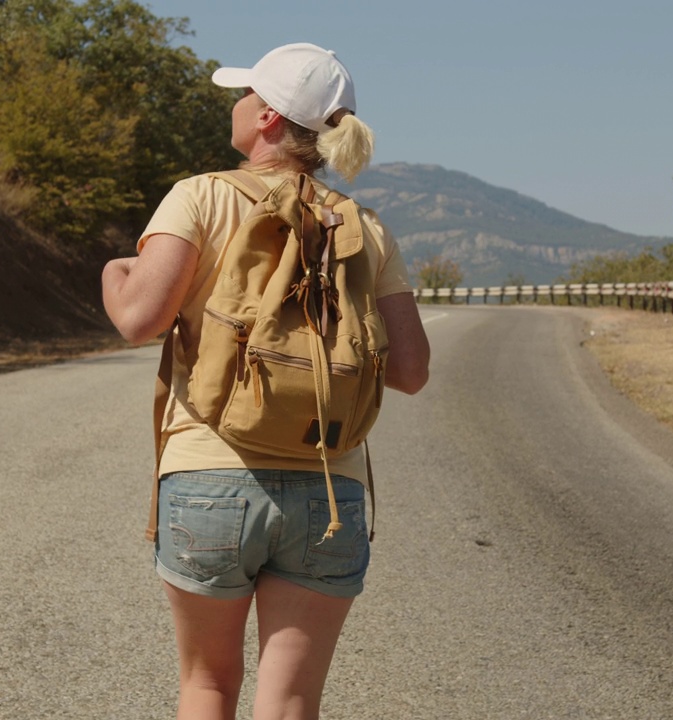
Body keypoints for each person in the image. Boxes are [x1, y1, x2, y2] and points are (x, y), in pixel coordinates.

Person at [100, 43, 431, 720]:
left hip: (209, 474)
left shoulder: (201, 195)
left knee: (209, 686)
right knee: (290, 704)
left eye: (245, 93)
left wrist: (112, 273)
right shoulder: (365, 228)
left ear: (269, 120)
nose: (236, 103)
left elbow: (139, 320)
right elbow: (412, 372)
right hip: (329, 489)